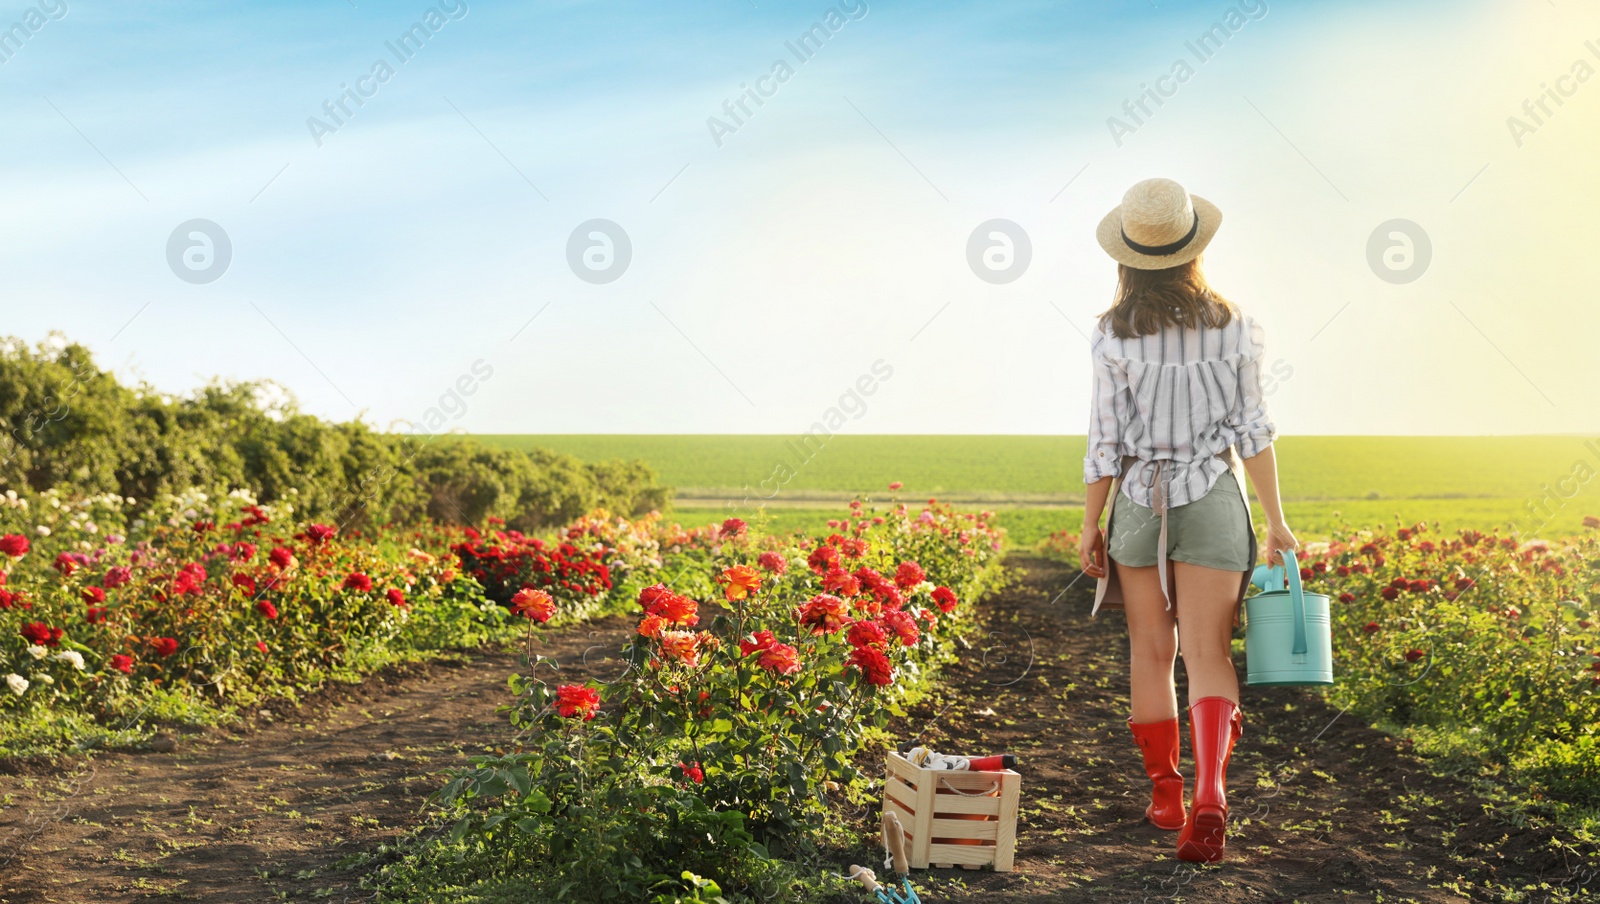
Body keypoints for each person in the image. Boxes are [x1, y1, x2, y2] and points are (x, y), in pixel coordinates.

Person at [1075, 177, 1298, 863]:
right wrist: (1277, 522)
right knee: (1209, 655)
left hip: (1141, 501)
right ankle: (1214, 796)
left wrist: (1092, 523)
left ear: (1128, 257)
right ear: (1192, 246)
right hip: (1213, 498)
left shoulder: (1112, 335)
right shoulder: (1237, 325)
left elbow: (1104, 441)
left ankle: (1168, 793)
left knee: (1151, 651)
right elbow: (1254, 430)